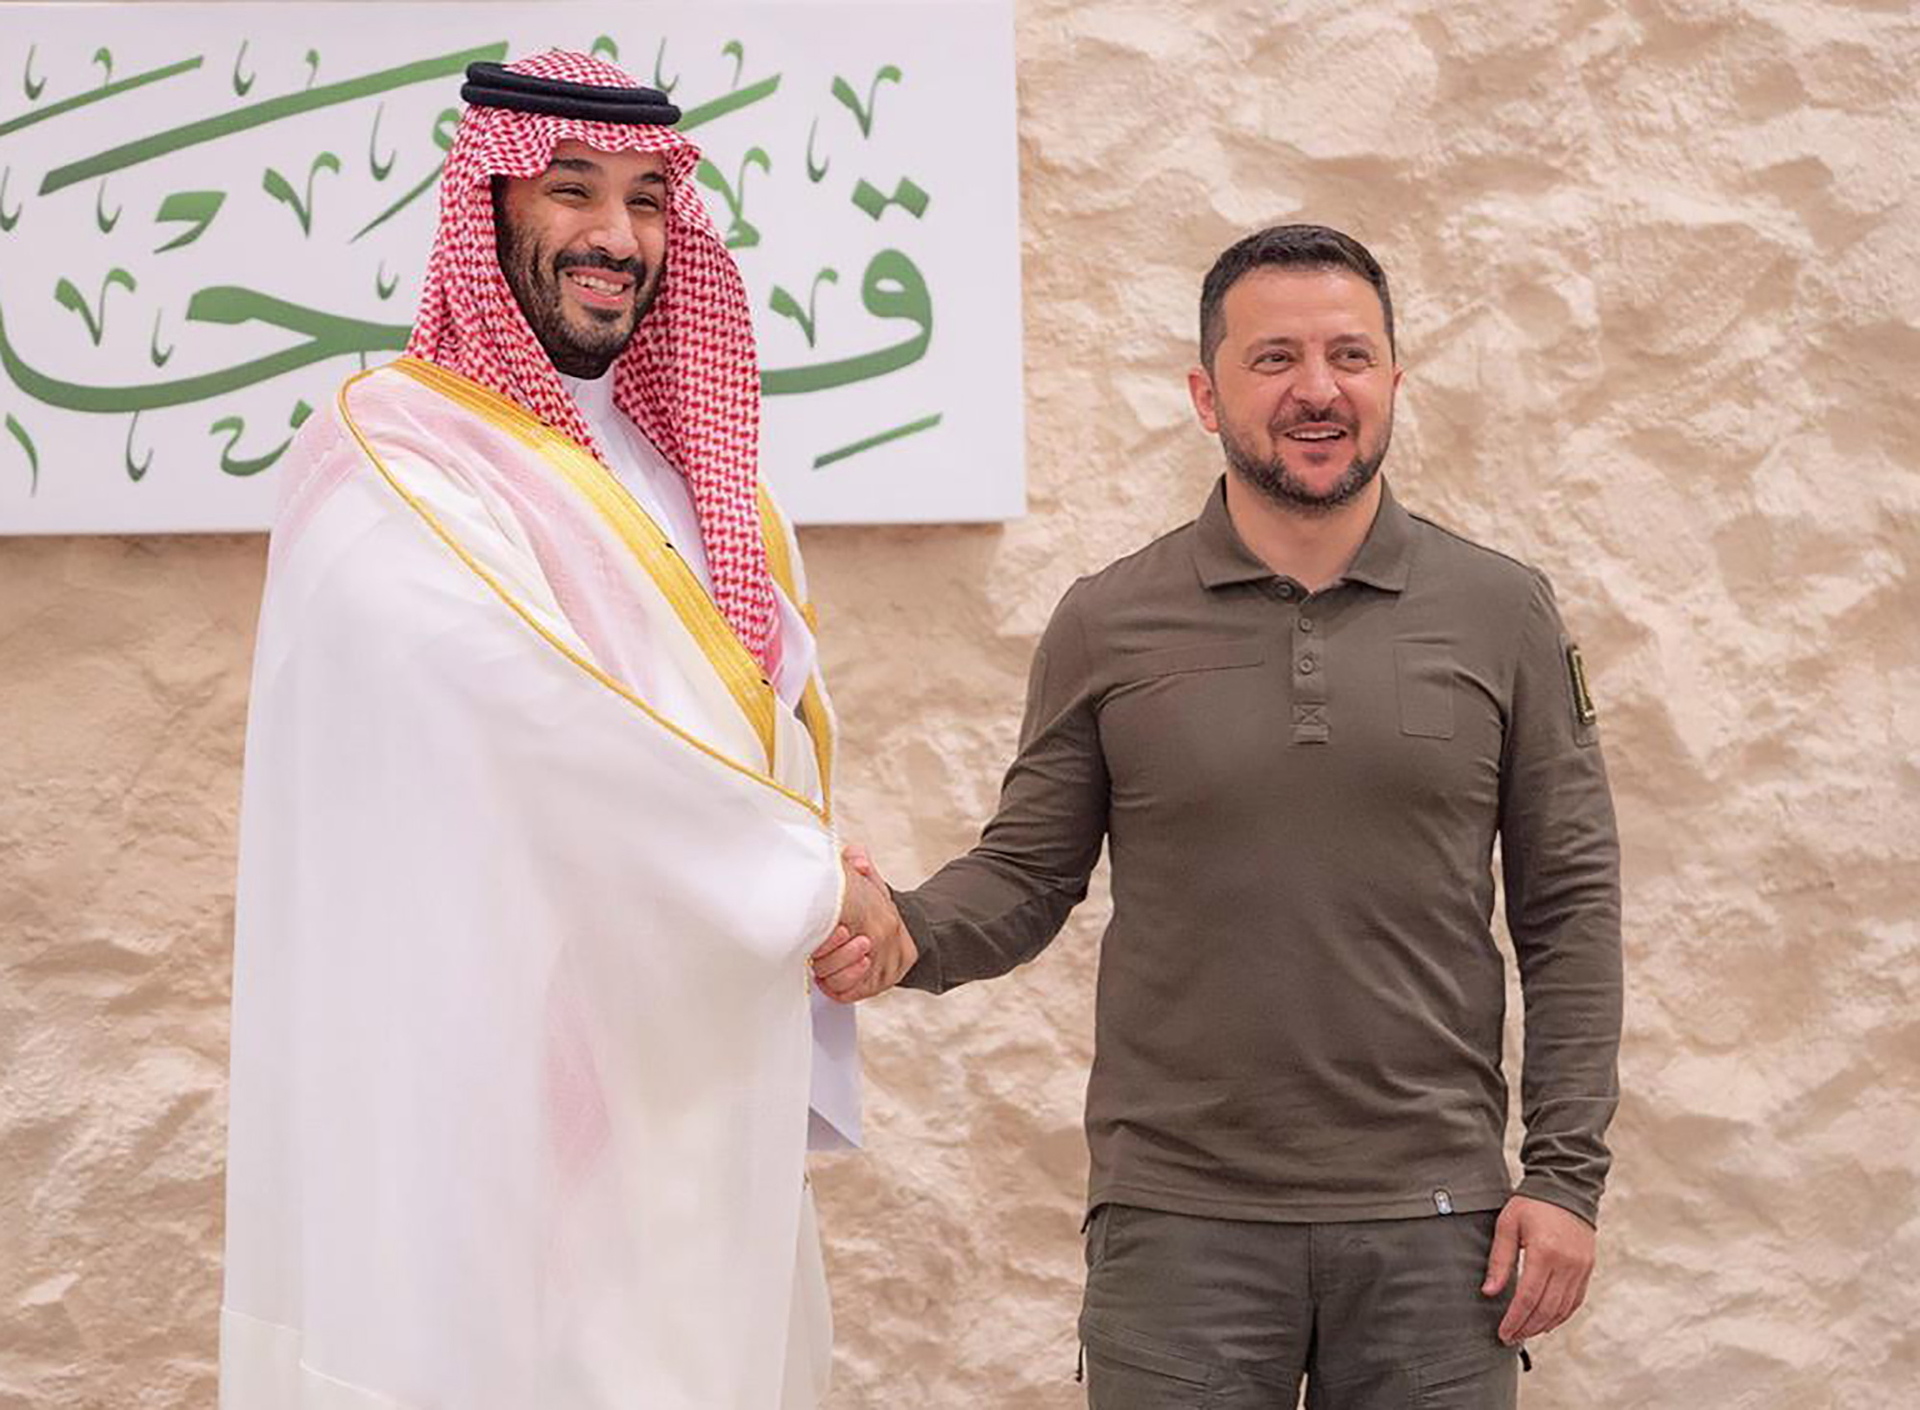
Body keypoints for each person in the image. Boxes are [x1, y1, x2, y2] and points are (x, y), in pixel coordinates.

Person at [816, 225, 1623, 1408]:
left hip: (1436, 1225)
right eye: (1274, 358)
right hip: (1178, 1229)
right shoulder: (1108, 622)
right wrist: (903, 928)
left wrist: (1563, 1179)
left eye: (1351, 355)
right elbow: (1029, 876)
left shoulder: (1503, 613)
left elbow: (1571, 909)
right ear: (1206, 394)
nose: (1318, 389)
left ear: (1395, 381)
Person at [220, 51, 880, 1410]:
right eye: (572, 189)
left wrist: (823, 877)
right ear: (492, 204)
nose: (616, 236)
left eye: (647, 200)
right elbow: (535, 727)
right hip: (487, 1079)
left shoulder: (701, 475)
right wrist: (807, 882)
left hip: (688, 1077)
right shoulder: (390, 453)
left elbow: (757, 733)